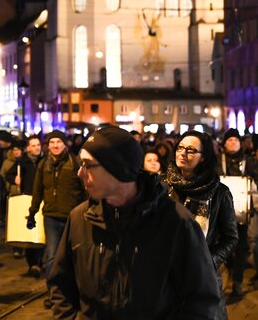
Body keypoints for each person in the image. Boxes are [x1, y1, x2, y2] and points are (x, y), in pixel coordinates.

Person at [49, 126, 222, 318]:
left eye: (88, 165)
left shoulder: (175, 222)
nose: (80, 173)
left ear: (117, 168)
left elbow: (202, 299)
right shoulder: (80, 218)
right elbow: (61, 284)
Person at [164, 130, 238, 317]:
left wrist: (210, 261)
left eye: (190, 150)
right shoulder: (163, 187)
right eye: (180, 148)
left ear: (203, 157)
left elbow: (230, 237)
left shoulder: (219, 192)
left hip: (203, 276)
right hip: (166, 275)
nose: (182, 153)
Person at [27, 129, 86, 309]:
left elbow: (84, 191)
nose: (55, 145)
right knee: (51, 258)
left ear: (65, 144)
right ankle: (54, 295)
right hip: (51, 217)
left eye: (58, 142)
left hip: (72, 217)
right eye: (52, 142)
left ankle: (74, 292)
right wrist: (32, 212)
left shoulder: (75, 162)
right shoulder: (44, 164)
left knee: (73, 257)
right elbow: (37, 191)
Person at [217, 128, 257, 298]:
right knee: (223, 245)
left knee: (241, 246)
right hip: (222, 212)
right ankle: (231, 270)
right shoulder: (218, 161)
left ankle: (238, 281)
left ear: (240, 143)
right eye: (229, 140)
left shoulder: (249, 161)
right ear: (224, 143)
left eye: (236, 140)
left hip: (243, 211)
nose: (233, 143)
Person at [3, 135, 45, 274]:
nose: (36, 147)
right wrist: (15, 179)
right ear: (28, 148)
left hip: (43, 200)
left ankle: (40, 262)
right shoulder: (23, 162)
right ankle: (33, 263)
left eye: (38, 144)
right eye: (33, 145)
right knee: (30, 232)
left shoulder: (45, 161)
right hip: (28, 199)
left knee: (42, 233)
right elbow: (8, 175)